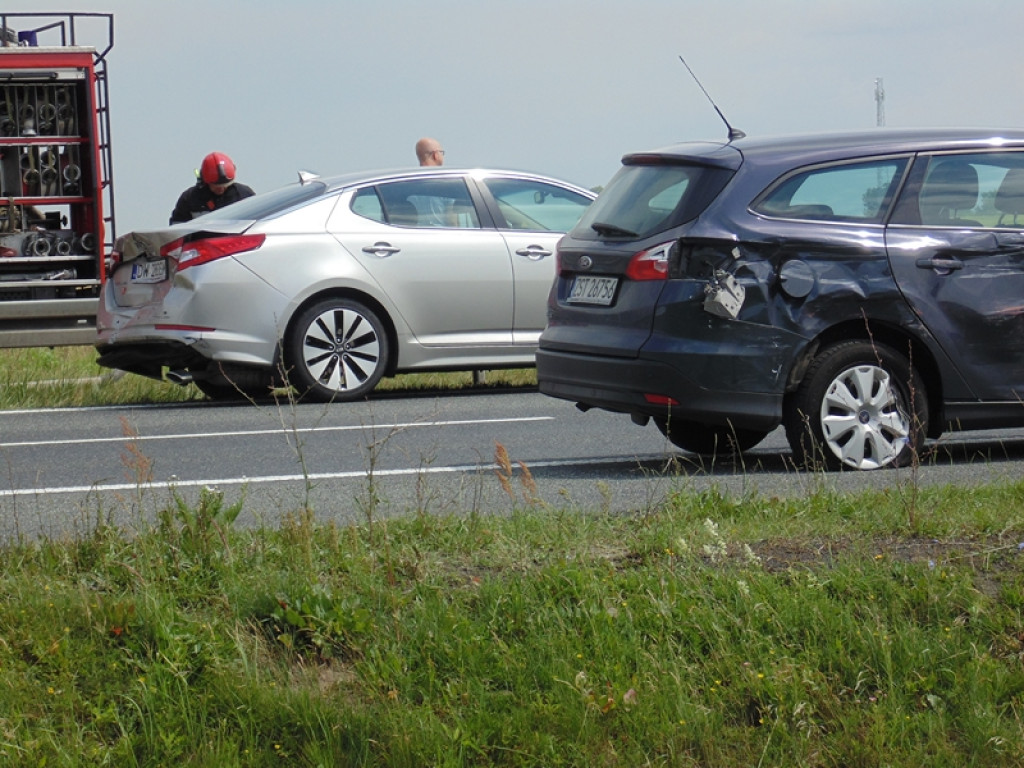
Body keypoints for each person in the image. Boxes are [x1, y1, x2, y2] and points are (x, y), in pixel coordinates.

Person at [169, 152, 255, 224]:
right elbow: (176, 229)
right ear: (206, 181)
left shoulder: (244, 195)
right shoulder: (190, 198)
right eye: (217, 186)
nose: (221, 189)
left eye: (225, 185)